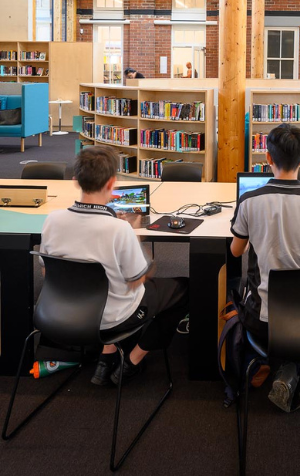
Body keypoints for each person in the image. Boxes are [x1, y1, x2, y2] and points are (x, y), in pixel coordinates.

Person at [39, 146, 189, 386]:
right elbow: (137, 279)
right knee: (183, 288)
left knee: (107, 283)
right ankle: (132, 361)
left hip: (62, 311)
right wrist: (133, 234)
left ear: (75, 181)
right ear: (111, 183)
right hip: (111, 318)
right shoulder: (118, 229)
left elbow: (47, 271)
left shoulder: (52, 220)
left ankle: (106, 357)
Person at [230, 123, 300, 412]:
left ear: (267, 158)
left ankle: (282, 366)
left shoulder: (249, 200)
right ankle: (293, 366)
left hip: (261, 320)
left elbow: (235, 250)